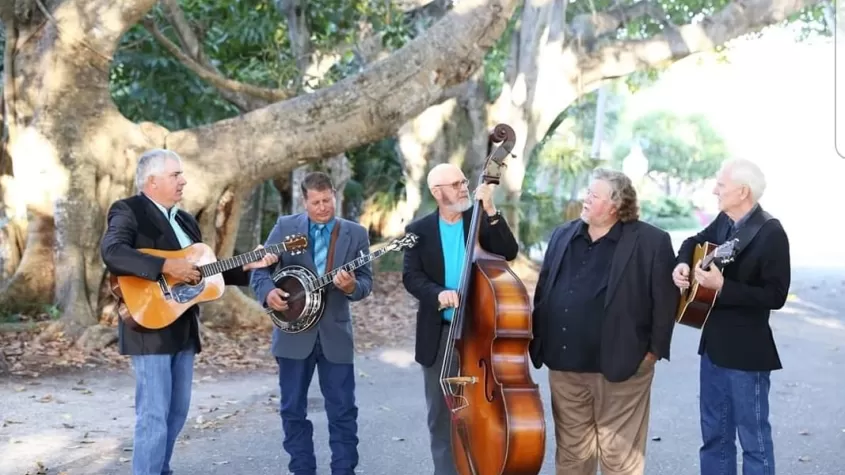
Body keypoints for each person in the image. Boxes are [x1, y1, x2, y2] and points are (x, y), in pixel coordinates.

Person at [100, 149, 278, 475]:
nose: (183, 181)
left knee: (177, 412)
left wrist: (249, 266)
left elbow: (206, 274)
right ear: (152, 181)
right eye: (175, 175)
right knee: (154, 413)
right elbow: (113, 252)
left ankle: (160, 469)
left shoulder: (185, 220)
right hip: (148, 325)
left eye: (181, 175)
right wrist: (167, 265)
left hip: (184, 327)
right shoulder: (128, 210)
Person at [529, 168, 678, 475]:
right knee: (572, 456)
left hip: (622, 368)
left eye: (594, 196)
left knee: (619, 460)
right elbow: (544, 290)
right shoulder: (562, 234)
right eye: (587, 192)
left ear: (615, 205)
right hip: (565, 366)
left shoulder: (651, 241)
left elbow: (666, 301)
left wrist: (651, 354)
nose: (585, 199)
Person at [250, 171, 373, 475]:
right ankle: (302, 470)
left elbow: (366, 281)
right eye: (316, 202)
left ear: (335, 195)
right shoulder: (285, 228)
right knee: (292, 410)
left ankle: (344, 471)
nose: (323, 207)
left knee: (343, 411)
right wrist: (268, 294)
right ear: (304, 201)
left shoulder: (355, 233)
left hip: (336, 336)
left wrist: (350, 287)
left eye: (327, 200)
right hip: (293, 336)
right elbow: (259, 272)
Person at [672, 159, 790, 475]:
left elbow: (775, 295)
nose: (714, 190)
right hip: (713, 348)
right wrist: (682, 264)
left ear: (742, 191)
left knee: (754, 443)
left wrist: (724, 286)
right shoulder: (725, 221)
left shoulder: (771, 232)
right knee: (714, 438)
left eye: (720, 186)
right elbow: (692, 243)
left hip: (747, 355)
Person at [401, 163, 519, 475]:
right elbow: (412, 277)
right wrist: (437, 292)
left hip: (480, 333)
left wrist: (491, 208)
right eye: (455, 184)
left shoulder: (479, 219)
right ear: (437, 193)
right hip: (439, 334)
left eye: (464, 181)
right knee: (442, 417)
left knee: (483, 415)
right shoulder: (418, 231)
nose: (464, 187)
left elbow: (508, 251)